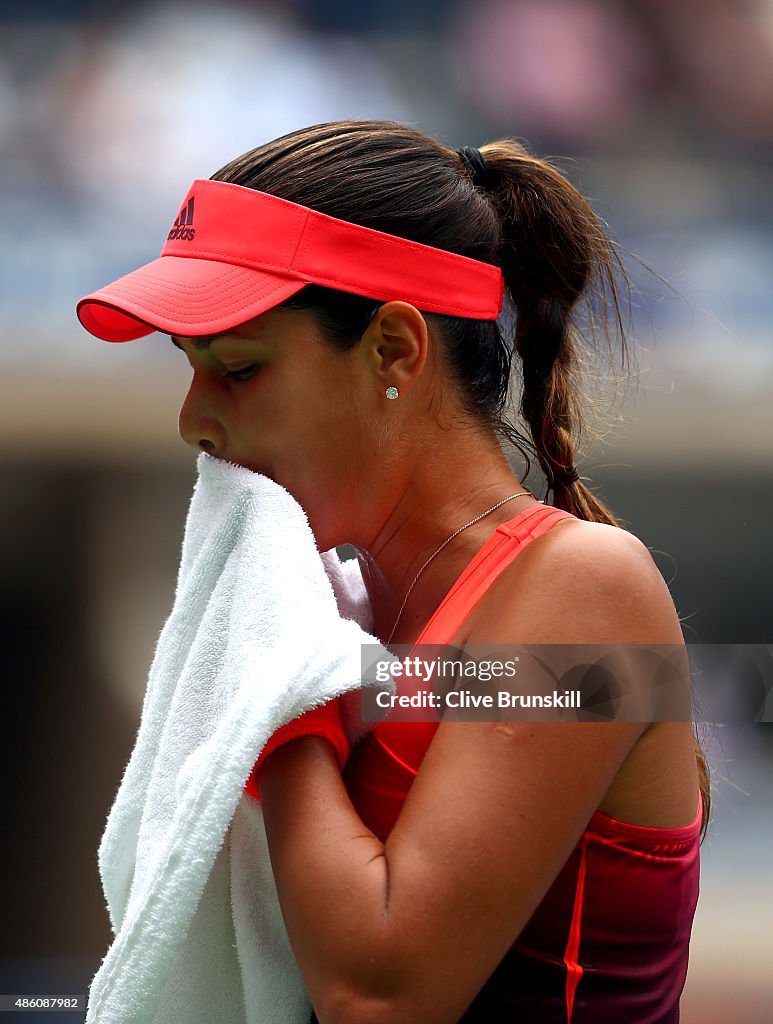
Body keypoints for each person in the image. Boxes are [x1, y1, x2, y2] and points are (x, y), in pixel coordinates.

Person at [77, 119, 708, 1024]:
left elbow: (380, 995)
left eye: (240, 369)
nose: (194, 422)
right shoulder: (343, 613)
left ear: (393, 351)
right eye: (190, 370)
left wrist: (274, 685)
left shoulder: (588, 590)